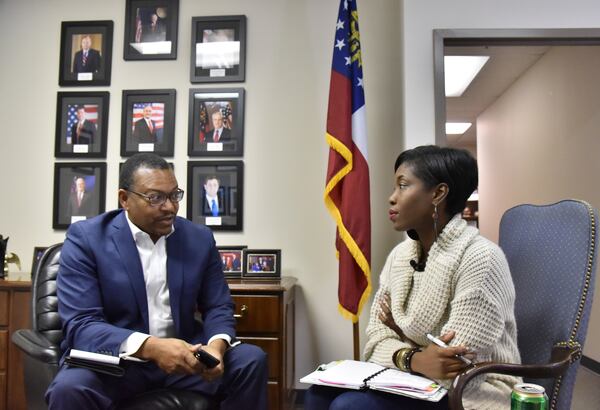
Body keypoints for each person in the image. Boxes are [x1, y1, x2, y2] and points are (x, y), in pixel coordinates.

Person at [305, 145, 521, 410]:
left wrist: (400, 334)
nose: (392, 198)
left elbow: (451, 364)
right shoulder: (400, 256)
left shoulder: (481, 258)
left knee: (350, 406)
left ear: (438, 194)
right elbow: (374, 342)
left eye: (403, 185)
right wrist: (415, 358)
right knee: (316, 395)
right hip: (411, 377)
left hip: (473, 389)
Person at [46, 153, 268, 410]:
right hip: (116, 365)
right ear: (124, 199)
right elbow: (81, 325)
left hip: (185, 361)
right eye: (156, 197)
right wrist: (152, 347)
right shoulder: (87, 239)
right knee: (69, 388)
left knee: (250, 360)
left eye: (175, 195)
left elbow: (218, 306)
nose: (170, 207)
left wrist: (215, 348)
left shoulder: (198, 238)